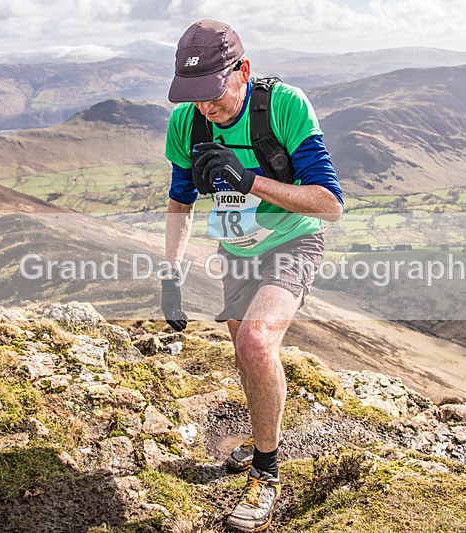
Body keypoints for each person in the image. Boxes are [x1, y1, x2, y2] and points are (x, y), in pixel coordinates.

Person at [160, 19, 343, 533]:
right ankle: (263, 431)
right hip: (236, 247)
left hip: (293, 239)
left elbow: (330, 204)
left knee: (258, 343)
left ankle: (267, 471)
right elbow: (181, 200)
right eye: (192, 97)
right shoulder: (188, 123)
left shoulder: (283, 107)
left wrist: (251, 180)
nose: (205, 109)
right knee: (244, 348)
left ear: (243, 71)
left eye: (214, 96)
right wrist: (170, 275)